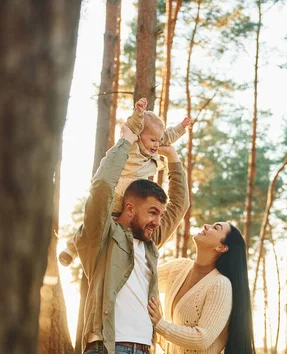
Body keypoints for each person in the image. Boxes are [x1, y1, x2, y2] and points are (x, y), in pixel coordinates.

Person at [78, 124, 189, 354]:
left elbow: (180, 204)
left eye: (160, 215)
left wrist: (172, 157)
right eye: (152, 212)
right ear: (129, 207)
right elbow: (103, 185)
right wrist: (127, 140)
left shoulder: (150, 242)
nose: (158, 221)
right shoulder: (100, 236)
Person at [59, 97, 192, 266]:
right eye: (153, 140)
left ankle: (74, 246)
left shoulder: (149, 238)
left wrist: (181, 129)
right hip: (117, 192)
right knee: (95, 220)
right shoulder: (132, 146)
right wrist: (138, 113)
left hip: (133, 196)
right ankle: (72, 248)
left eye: (158, 141)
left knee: (101, 220)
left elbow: (168, 136)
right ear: (139, 136)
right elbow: (133, 127)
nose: (157, 144)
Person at [147, 223, 262, 354]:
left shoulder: (220, 285)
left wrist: (160, 324)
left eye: (216, 228)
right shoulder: (178, 268)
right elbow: (143, 277)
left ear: (221, 247)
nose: (207, 226)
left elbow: (203, 338)